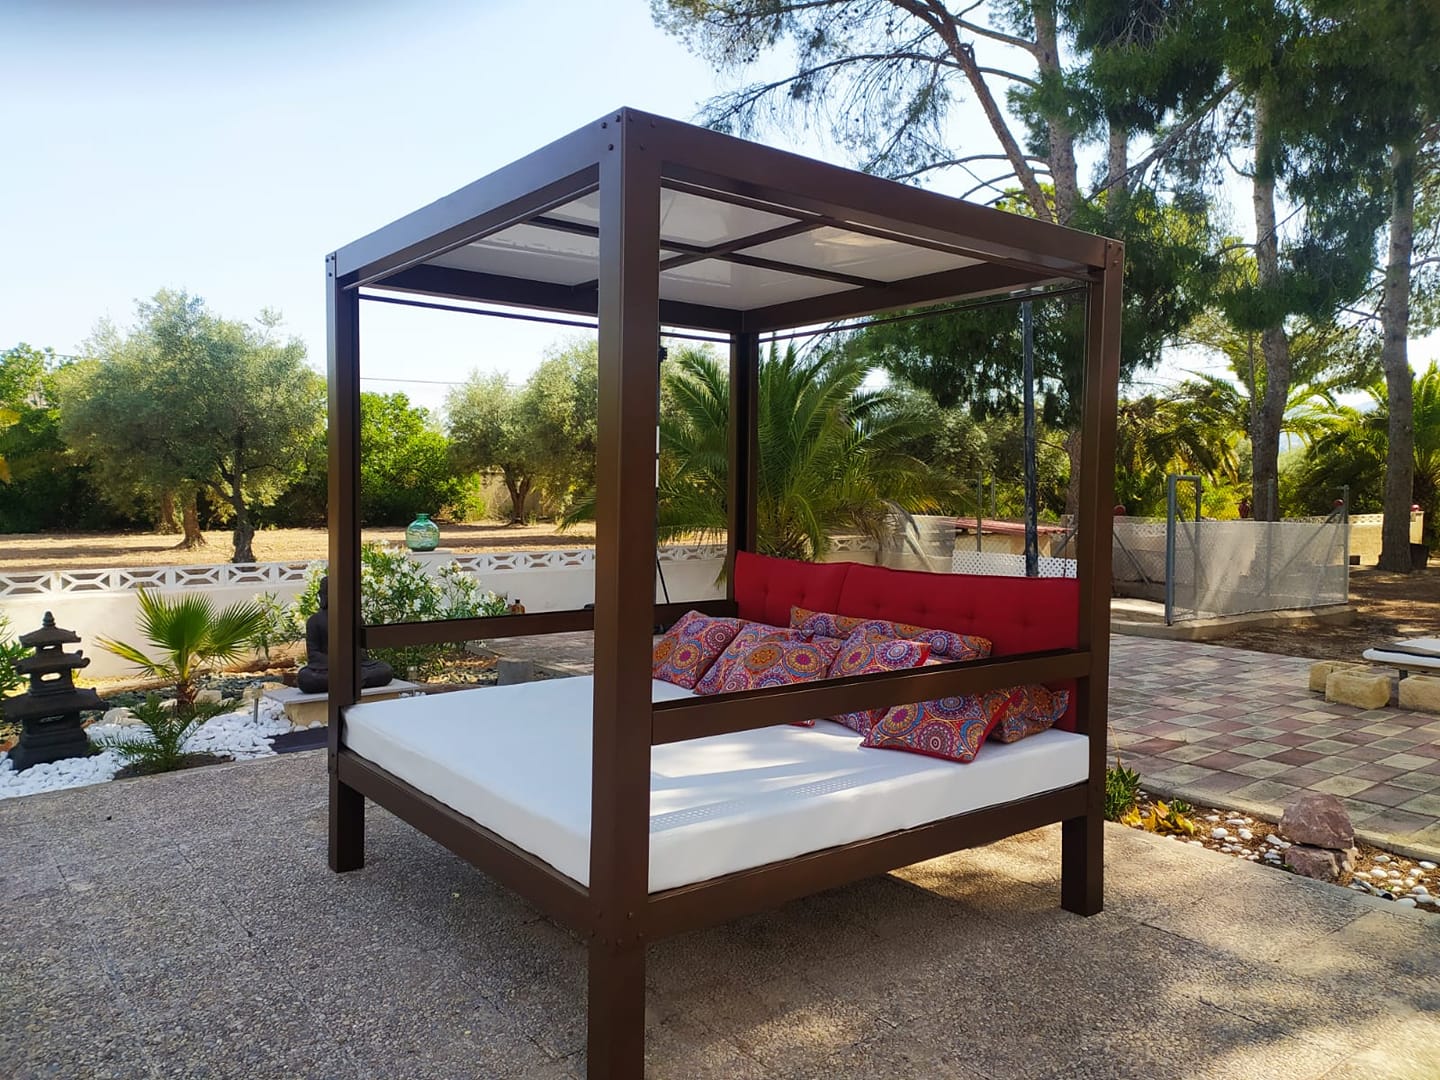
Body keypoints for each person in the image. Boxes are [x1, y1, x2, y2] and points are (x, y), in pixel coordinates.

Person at [296, 577, 395, 693]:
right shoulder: (314, 621)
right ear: (324, 595)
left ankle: (344, 681)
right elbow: (313, 654)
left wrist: (349, 661)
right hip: (328, 668)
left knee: (385, 670)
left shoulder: (355, 617)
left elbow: (362, 650)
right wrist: (337, 662)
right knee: (305, 678)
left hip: (355, 666)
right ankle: (352, 681)